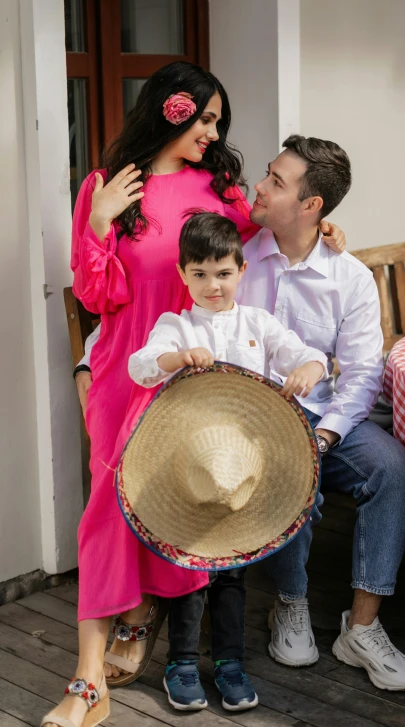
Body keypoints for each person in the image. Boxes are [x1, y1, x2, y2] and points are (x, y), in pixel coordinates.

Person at [47, 62, 345, 727]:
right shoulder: (104, 186)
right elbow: (96, 295)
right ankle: (88, 678)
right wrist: (97, 222)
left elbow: (271, 229)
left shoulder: (220, 190)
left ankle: (149, 615)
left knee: (180, 495)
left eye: (217, 121)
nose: (212, 133)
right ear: (169, 110)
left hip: (192, 377)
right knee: (105, 509)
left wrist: (322, 233)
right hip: (133, 366)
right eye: (204, 118)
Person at [236, 135, 405, 691]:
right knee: (299, 478)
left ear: (312, 206)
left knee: (391, 467)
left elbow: (364, 374)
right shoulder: (238, 258)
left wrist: (327, 435)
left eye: (276, 181)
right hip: (253, 424)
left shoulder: (351, 278)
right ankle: (289, 604)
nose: (260, 187)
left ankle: (360, 628)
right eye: (267, 175)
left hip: (329, 422)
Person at [125, 211, 327, 712]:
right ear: (183, 275)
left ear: (241, 270)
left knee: (233, 573)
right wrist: (175, 357)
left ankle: (231, 662)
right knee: (191, 571)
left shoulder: (257, 322)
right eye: (200, 274)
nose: (212, 285)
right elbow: (141, 365)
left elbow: (308, 355)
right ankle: (183, 662)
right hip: (192, 470)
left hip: (241, 470)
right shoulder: (177, 325)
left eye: (223, 273)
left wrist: (307, 368)